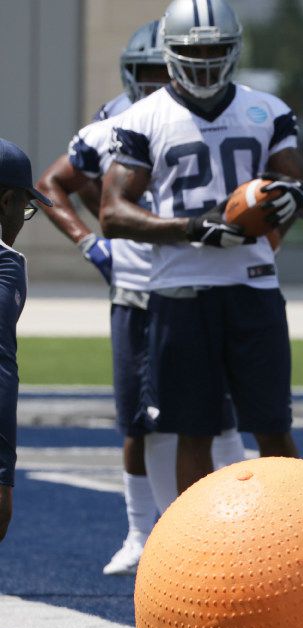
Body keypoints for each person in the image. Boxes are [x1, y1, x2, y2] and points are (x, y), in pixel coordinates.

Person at [36, 20, 245, 576]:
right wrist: (90, 244)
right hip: (138, 288)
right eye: (147, 74)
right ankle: (140, 532)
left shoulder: (216, 117)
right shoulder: (114, 124)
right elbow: (53, 181)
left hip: (199, 283)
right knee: (139, 418)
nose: (156, 85)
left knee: (217, 416)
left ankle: (241, 529)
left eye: (164, 73)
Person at [100, 0, 303, 493]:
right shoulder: (143, 118)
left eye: (216, 49)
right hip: (180, 289)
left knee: (272, 425)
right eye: (193, 51)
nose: (205, 61)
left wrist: (291, 198)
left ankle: (299, 543)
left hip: (252, 284)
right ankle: (192, 559)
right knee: (193, 431)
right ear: (170, 52)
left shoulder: (265, 109)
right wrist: (191, 228)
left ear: (235, 48)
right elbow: (112, 213)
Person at [0, 138, 53, 628]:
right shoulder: (4, 265)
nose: (22, 222)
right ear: (7, 200)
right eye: (23, 208)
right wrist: (2, 474)